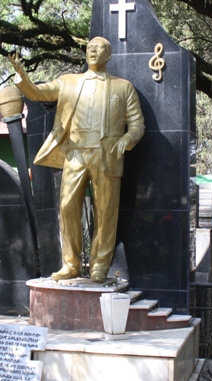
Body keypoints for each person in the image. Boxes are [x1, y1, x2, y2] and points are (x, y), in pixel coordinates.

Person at [9, 37, 144, 283]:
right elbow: (38, 93)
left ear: (109, 55)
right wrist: (21, 76)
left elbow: (137, 123)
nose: (92, 50)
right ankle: (71, 264)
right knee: (67, 207)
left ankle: (99, 266)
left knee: (105, 212)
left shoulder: (123, 87)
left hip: (107, 154)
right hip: (76, 152)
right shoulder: (68, 82)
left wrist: (127, 139)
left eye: (99, 47)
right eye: (89, 47)